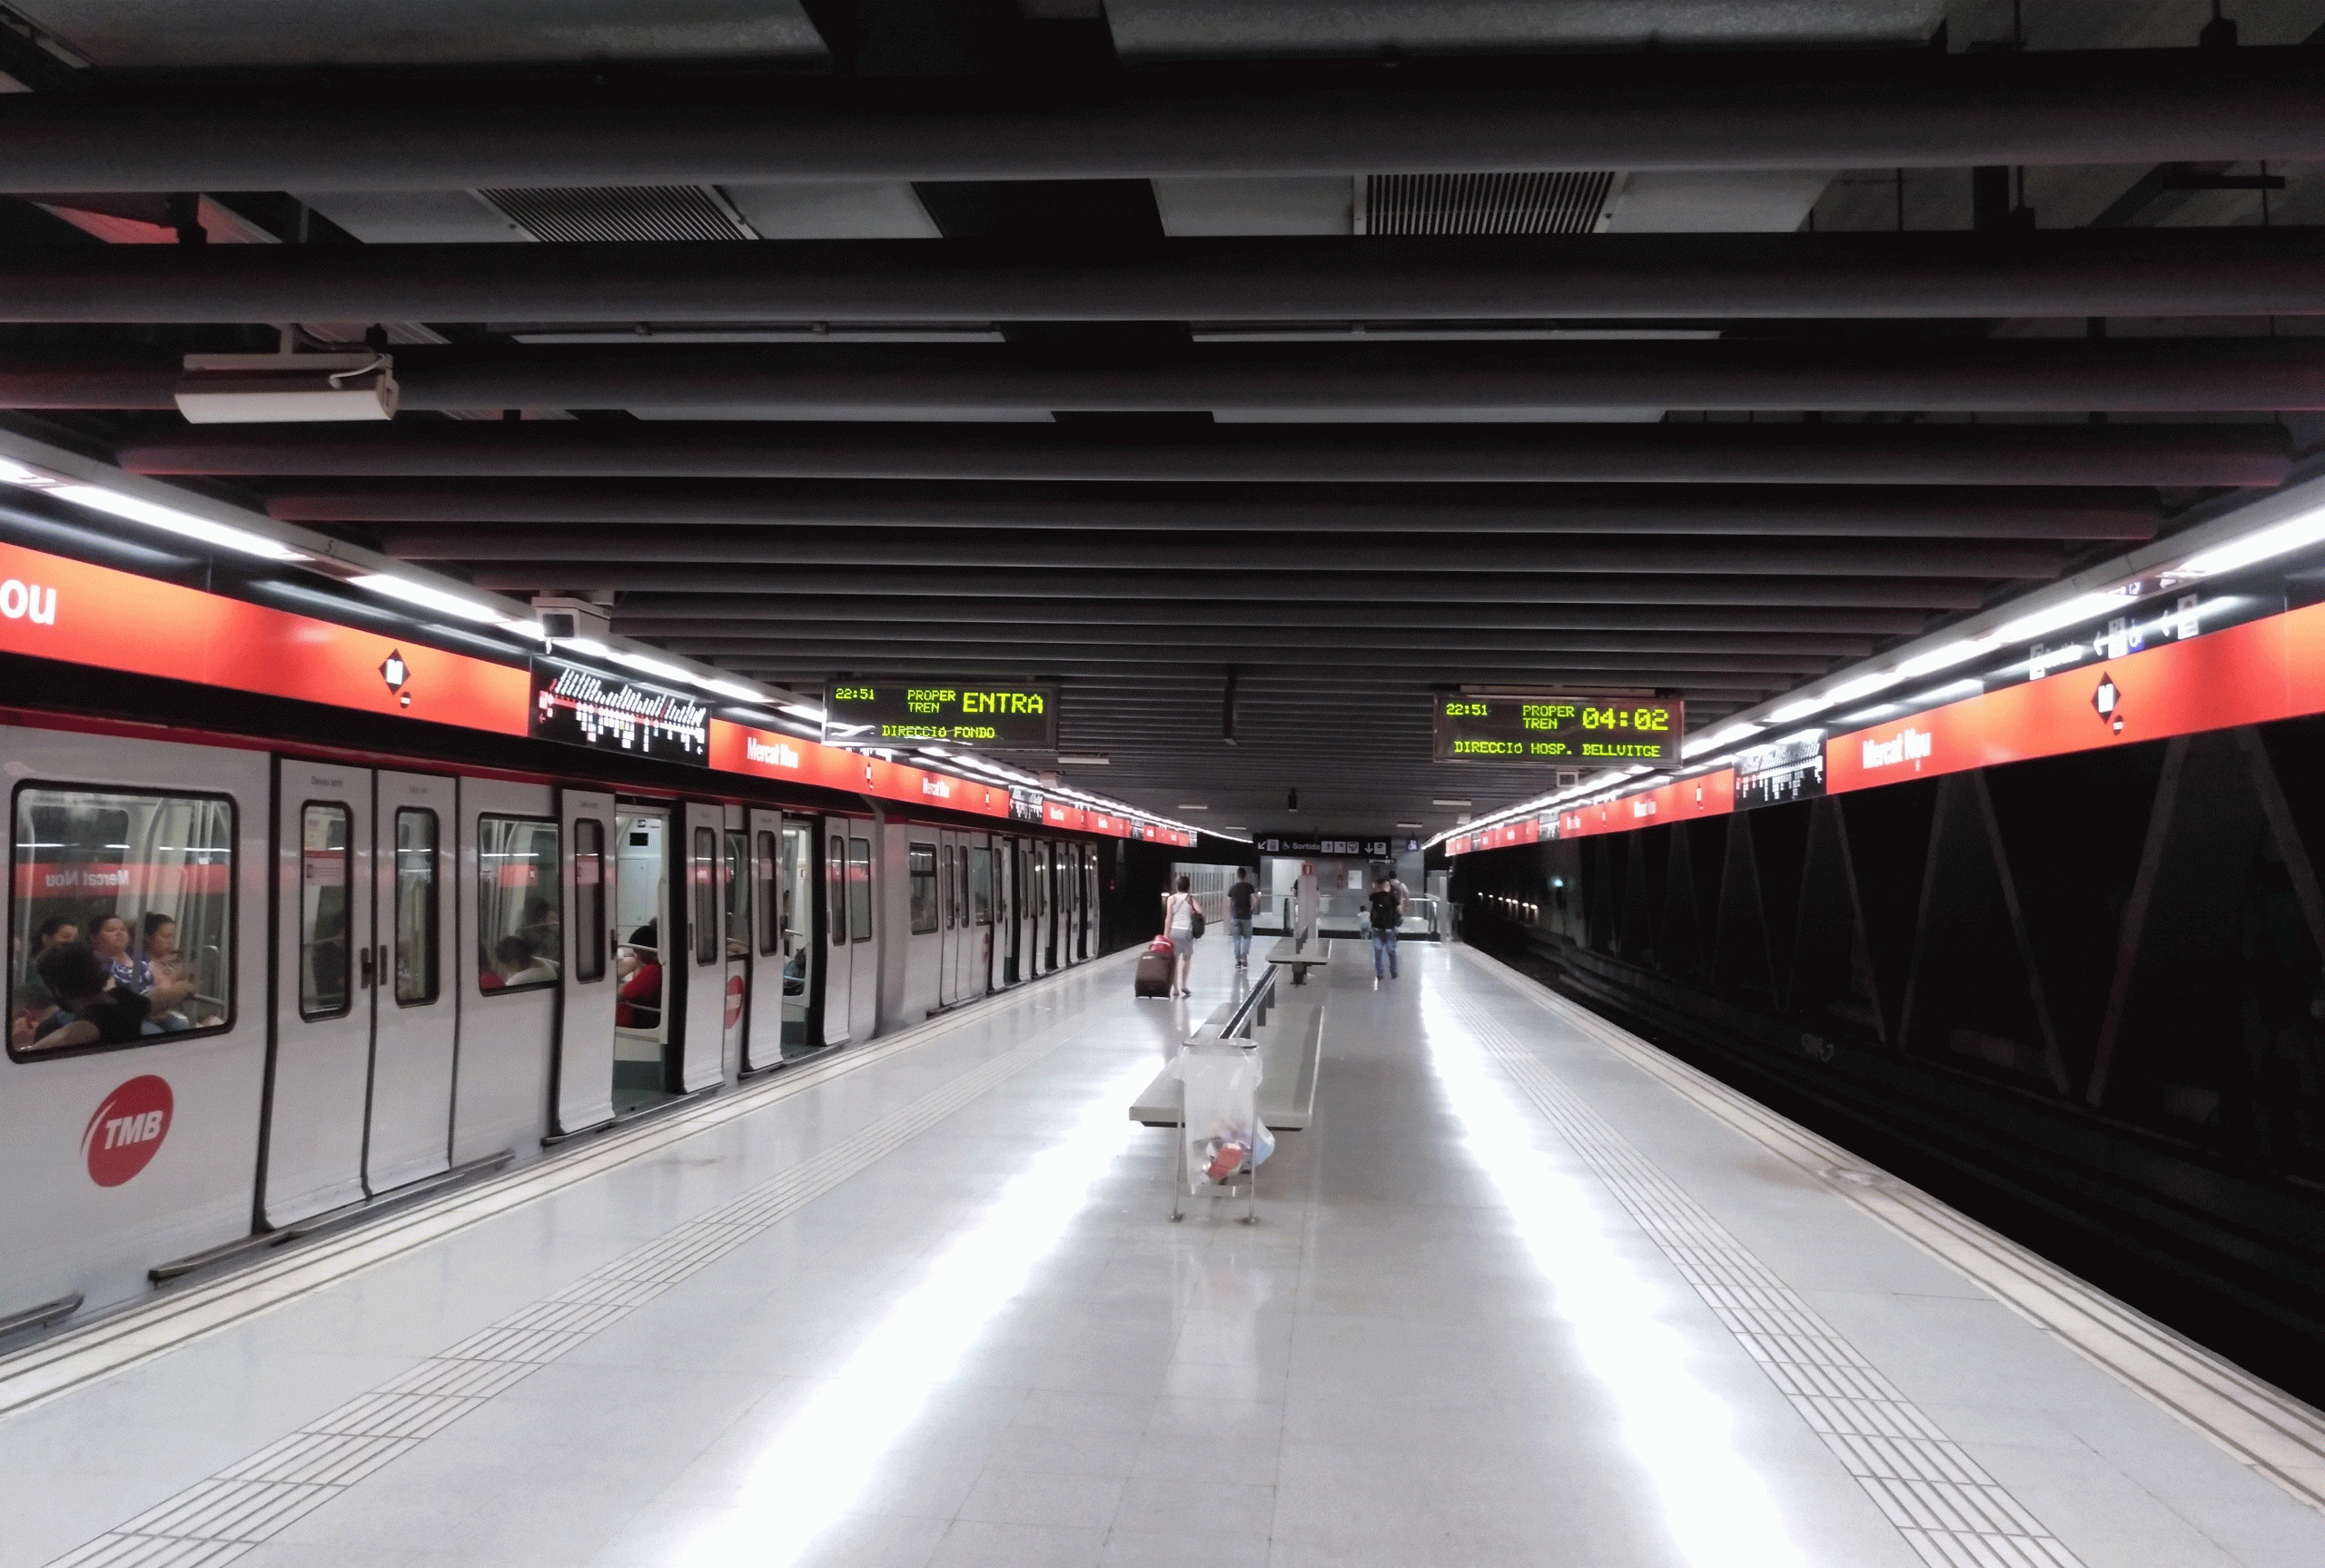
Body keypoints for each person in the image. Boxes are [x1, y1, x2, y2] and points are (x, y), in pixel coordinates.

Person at [12, 942, 153, 1052]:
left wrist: (25, 1045)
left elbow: (68, 1036)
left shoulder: (73, 1025)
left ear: (56, 989)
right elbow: (155, 999)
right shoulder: (123, 997)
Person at [618, 921, 664, 1028]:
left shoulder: (652, 970)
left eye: (637, 951)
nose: (636, 954)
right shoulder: (656, 967)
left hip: (627, 1021)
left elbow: (622, 995)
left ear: (645, 949)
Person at [1162, 874, 1202, 998]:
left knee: (1174, 960)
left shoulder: (1172, 899)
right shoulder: (1191, 898)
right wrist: (1192, 911)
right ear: (1188, 887)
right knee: (1186, 960)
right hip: (1187, 932)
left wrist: (1165, 934)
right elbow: (1200, 911)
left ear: (1176, 886)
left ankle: (1175, 989)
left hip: (1174, 931)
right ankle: (1184, 985)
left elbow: (1169, 917)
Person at [1368, 873, 1402, 981]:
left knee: (1390, 951)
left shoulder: (1392, 896)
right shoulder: (1376, 896)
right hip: (1378, 929)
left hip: (1389, 929)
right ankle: (1381, 973)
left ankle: (1393, 972)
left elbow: (1399, 909)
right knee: (1380, 951)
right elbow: (1369, 895)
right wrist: (1376, 889)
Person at [491, 934, 559, 987]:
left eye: (503, 966)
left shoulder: (518, 980)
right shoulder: (537, 961)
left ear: (513, 963)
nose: (503, 969)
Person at [1226, 866, 1259, 970]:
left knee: (1236, 940)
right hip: (1246, 917)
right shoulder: (1249, 887)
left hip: (1236, 917)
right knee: (1247, 937)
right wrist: (1252, 910)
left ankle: (1238, 961)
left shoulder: (1233, 888)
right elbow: (1255, 900)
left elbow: (1229, 904)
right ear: (1245, 875)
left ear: (1237, 875)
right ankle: (1244, 956)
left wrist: (1232, 915)